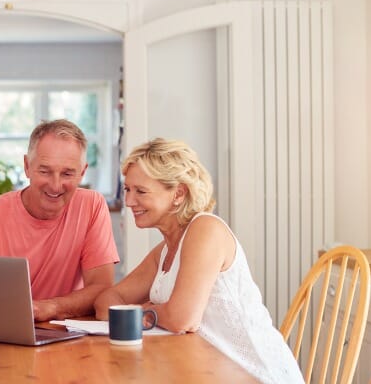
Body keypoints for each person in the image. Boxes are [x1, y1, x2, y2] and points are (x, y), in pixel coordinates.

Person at [94, 138, 303, 384]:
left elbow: (182, 318)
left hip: (255, 375)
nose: (128, 201)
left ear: (178, 194)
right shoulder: (164, 250)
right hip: (204, 372)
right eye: (128, 189)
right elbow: (105, 301)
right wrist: (157, 312)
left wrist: (144, 312)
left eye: (140, 191)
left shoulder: (206, 229)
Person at [0, 119, 119, 321]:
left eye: (68, 173)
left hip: (63, 333)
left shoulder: (92, 206)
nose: (55, 185)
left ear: (82, 172)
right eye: (44, 171)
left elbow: (101, 288)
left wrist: (49, 308)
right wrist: (9, 310)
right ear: (27, 166)